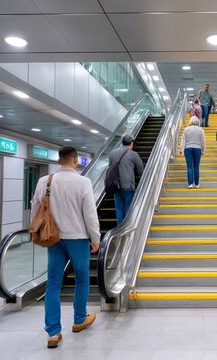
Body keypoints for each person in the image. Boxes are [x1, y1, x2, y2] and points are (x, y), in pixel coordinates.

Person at [30, 146, 100, 349]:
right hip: (78, 238)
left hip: (53, 238)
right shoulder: (83, 182)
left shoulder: (45, 181)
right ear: (75, 160)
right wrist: (95, 238)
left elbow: (36, 207)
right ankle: (79, 319)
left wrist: (35, 231)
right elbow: (89, 213)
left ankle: (53, 332)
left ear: (59, 160)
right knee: (81, 278)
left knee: (53, 283)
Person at [108, 135, 144, 224]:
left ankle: (119, 228)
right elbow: (141, 169)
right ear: (131, 144)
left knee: (119, 208)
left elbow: (110, 168)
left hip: (115, 185)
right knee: (128, 208)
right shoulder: (133, 154)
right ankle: (126, 227)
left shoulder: (112, 153)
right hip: (128, 186)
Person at [180, 116, 205, 189]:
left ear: (190, 121)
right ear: (197, 122)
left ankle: (190, 184)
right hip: (197, 149)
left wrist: (181, 150)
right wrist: (203, 150)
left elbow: (183, 141)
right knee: (196, 166)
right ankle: (196, 184)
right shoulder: (200, 130)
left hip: (188, 149)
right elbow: (202, 141)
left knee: (189, 166)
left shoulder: (186, 129)